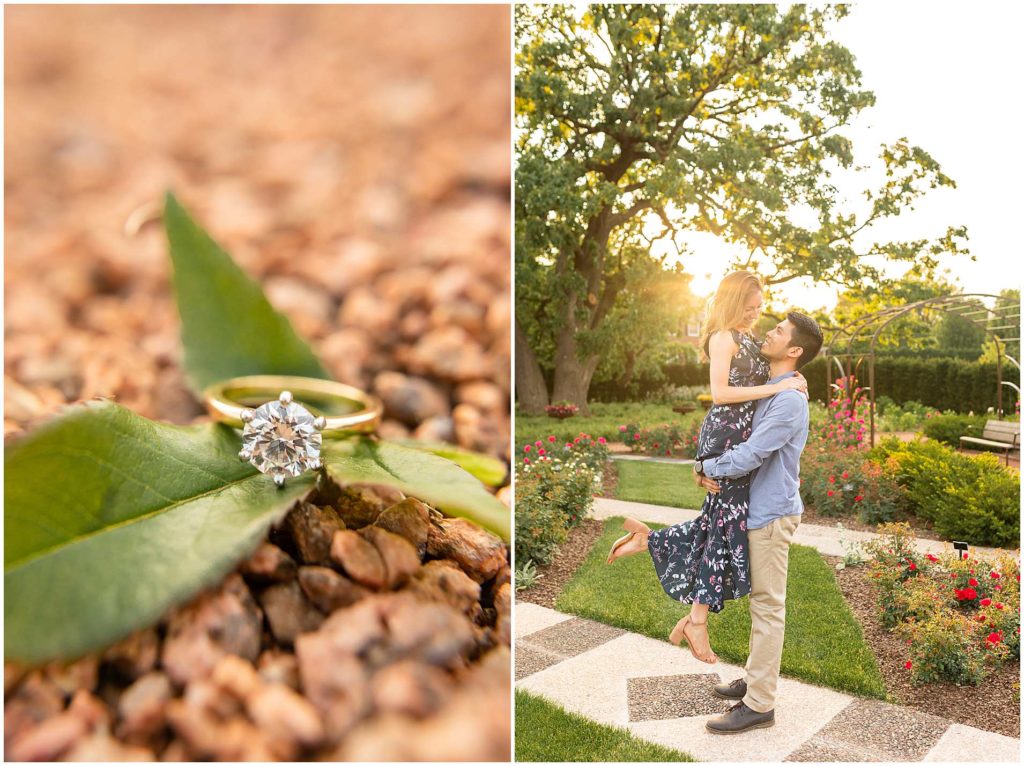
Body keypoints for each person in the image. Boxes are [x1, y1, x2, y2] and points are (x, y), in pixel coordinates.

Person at [605, 271, 807, 665]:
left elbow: (783, 369)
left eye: (760, 309)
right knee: (726, 526)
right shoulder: (723, 338)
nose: (755, 315)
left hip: (739, 438)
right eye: (749, 308)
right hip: (725, 434)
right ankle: (695, 619)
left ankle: (650, 544)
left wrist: (791, 379)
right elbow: (719, 393)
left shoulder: (750, 340)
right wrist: (775, 388)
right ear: (732, 303)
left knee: (718, 523)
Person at [697, 311, 824, 734]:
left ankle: (760, 704)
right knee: (760, 606)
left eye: (779, 332)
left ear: (794, 351)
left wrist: (706, 466)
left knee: (768, 608)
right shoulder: (773, 389)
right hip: (759, 508)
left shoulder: (788, 400)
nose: (768, 332)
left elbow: (752, 453)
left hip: (771, 514)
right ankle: (754, 679)